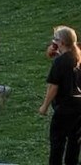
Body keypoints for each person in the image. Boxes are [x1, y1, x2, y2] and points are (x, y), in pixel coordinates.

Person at [39, 25, 81, 165]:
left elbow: (53, 87)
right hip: (78, 107)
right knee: (74, 142)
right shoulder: (76, 57)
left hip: (64, 108)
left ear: (62, 43)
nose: (53, 42)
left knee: (57, 143)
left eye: (55, 39)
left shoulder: (60, 62)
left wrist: (44, 106)